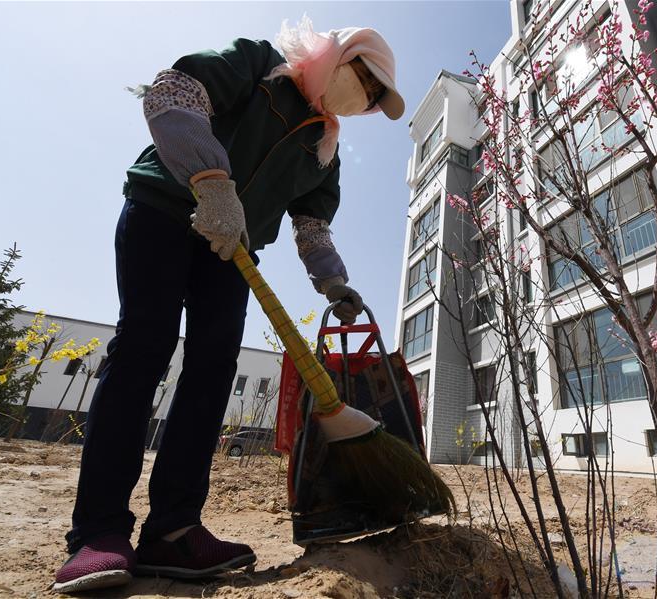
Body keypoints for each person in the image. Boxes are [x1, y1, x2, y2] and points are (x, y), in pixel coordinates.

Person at [53, 18, 405, 594]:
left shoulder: (325, 149)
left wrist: (333, 282)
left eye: (372, 97)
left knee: (214, 370)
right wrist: (212, 180)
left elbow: (313, 227)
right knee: (145, 346)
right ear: (337, 55)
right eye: (362, 79)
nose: (361, 98)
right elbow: (171, 93)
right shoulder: (259, 65)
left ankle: (173, 530)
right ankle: (98, 531)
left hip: (233, 249)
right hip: (164, 210)